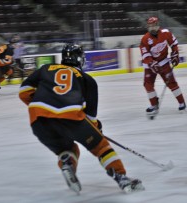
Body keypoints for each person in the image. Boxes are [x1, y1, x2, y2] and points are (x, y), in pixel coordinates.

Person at [18, 44, 144, 194]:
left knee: (68, 149)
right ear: (79, 59)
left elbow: (24, 91)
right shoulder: (87, 79)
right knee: (101, 147)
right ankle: (121, 177)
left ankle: (67, 162)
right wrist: (97, 128)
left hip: (38, 120)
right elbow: (90, 117)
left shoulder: (45, 68)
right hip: (70, 117)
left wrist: (42, 105)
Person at [139, 16, 186, 118]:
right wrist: (151, 63)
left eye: (154, 25)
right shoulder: (145, 39)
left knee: (171, 82)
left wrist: (175, 54)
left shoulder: (166, 33)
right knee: (148, 84)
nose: (152, 28)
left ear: (158, 25)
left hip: (163, 62)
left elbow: (174, 43)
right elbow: (145, 54)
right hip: (150, 65)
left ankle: (182, 102)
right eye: (150, 26)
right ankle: (154, 104)